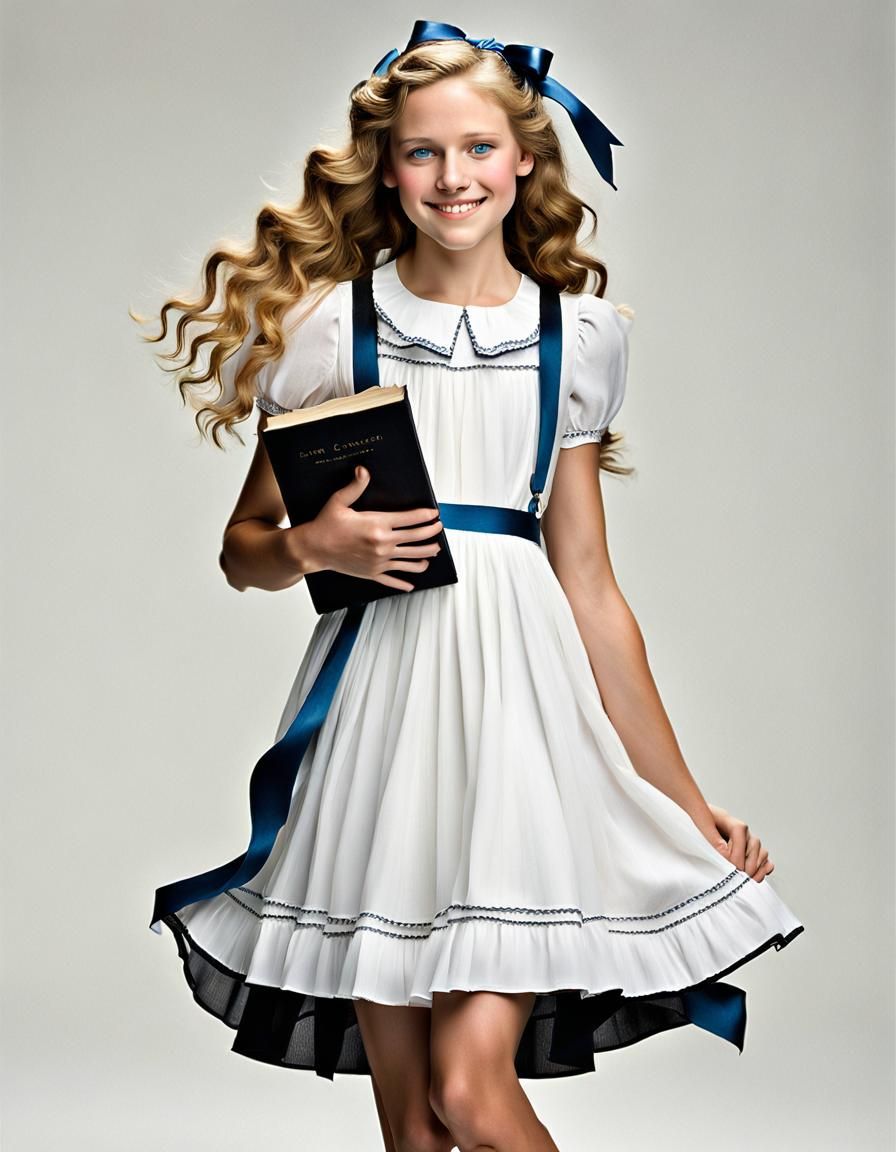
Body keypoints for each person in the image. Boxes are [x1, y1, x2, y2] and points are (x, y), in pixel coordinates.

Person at [139, 21, 805, 1152]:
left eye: (479, 149)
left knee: (467, 1089)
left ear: (524, 162)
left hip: (519, 726)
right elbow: (243, 544)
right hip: (377, 728)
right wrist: (315, 547)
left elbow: (590, 588)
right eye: (422, 153)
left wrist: (681, 804)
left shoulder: (575, 340)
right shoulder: (328, 329)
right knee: (412, 1126)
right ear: (386, 168)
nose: (453, 177)